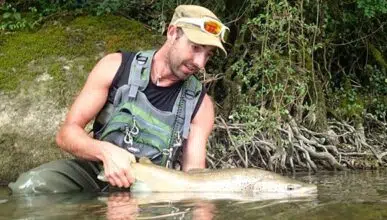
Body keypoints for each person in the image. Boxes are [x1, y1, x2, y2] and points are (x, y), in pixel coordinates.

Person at [9, 4, 229, 194]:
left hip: (153, 190)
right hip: (96, 174)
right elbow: (66, 134)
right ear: (172, 33)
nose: (200, 63)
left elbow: (194, 182)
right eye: (195, 48)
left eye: (208, 54)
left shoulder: (201, 106)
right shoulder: (115, 66)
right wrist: (105, 152)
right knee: (29, 187)